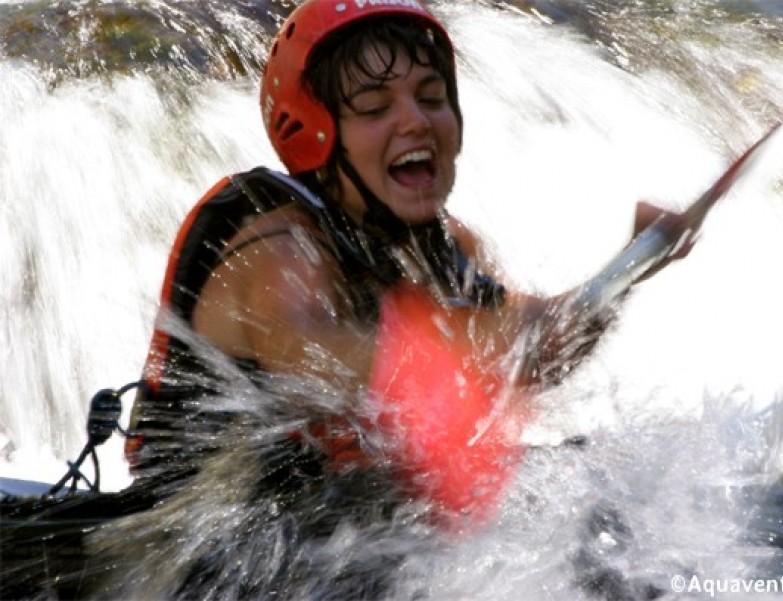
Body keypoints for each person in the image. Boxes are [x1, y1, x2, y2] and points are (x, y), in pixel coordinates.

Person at [124, 0, 689, 533]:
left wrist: (626, 273)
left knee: (597, 485)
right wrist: (478, 344)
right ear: (314, 134)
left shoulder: (446, 246)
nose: (416, 121)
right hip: (202, 542)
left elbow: (534, 353)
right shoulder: (277, 246)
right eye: (374, 108)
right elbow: (316, 359)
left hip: (345, 524)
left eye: (432, 96)